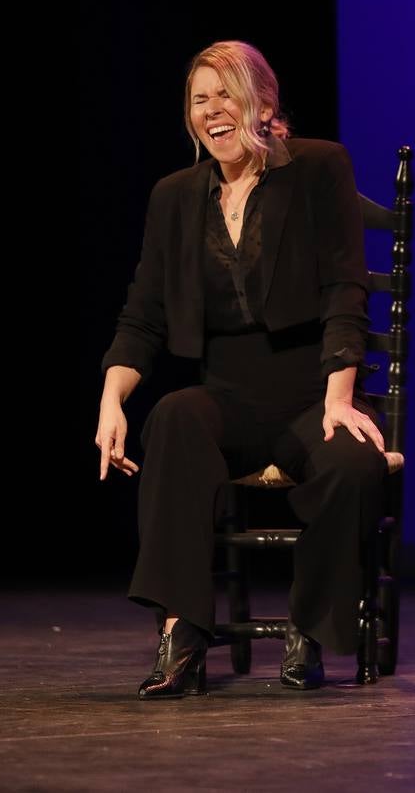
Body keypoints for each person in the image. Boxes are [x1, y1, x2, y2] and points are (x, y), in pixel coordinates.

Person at [95, 40, 388, 699]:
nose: (211, 111)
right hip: (228, 392)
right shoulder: (175, 197)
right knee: (173, 417)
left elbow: (346, 288)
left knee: (354, 466)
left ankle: (308, 629)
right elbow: (142, 315)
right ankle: (182, 634)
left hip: (314, 388)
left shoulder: (317, 167)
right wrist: (112, 401)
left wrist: (341, 396)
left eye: (225, 93)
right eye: (199, 99)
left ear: (262, 100)